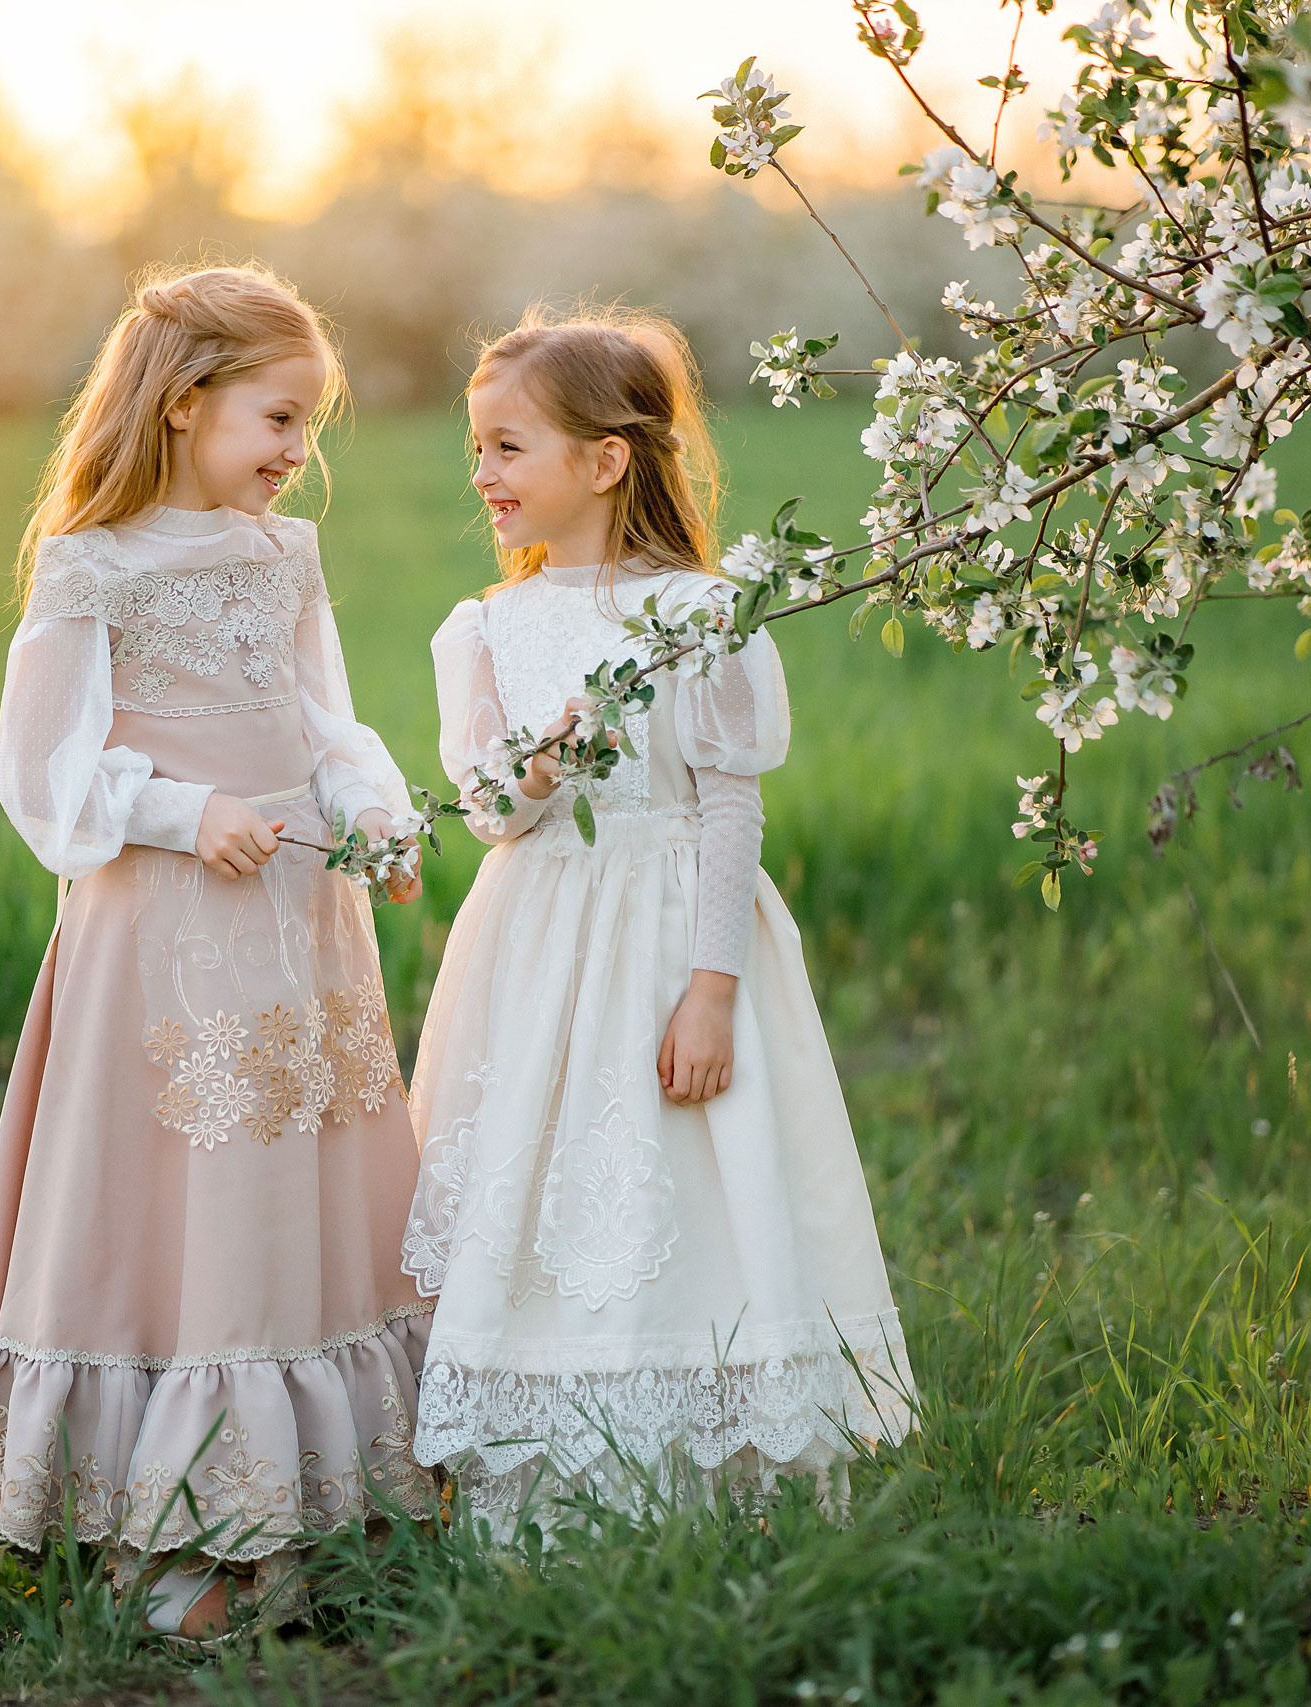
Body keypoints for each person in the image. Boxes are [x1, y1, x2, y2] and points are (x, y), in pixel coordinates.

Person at [0, 264, 434, 1641]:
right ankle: (179, 1526)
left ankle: (313, 1495)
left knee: (297, 1189)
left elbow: (322, 718)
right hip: (170, 927)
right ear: (185, 402)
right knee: (192, 1206)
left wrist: (374, 810)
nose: (297, 452)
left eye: (307, 425)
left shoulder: (282, 557)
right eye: (279, 418)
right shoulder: (92, 564)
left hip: (298, 912)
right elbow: (44, 771)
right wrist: (184, 812)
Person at [402, 308, 913, 1536]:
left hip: (675, 933)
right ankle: (542, 1473)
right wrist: (538, 767)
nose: (482, 475)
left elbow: (729, 803)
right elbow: (490, 813)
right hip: (537, 947)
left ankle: (712, 1469)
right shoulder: (487, 629)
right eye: (477, 450)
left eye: (508, 448)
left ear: (604, 460)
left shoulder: (699, 614)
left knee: (691, 1175)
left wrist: (712, 987)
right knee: (540, 1175)